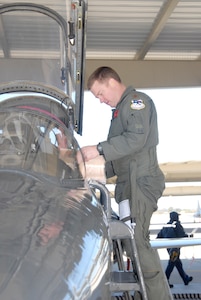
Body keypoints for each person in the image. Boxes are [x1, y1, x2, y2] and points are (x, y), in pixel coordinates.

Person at [78, 66, 172, 299]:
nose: (101, 100)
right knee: (132, 248)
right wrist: (85, 174)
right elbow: (118, 161)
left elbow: (136, 140)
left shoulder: (136, 102)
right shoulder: (119, 113)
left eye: (100, 93)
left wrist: (98, 149)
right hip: (128, 187)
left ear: (110, 81)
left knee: (139, 245)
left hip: (141, 183)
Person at [157, 211, 193, 288]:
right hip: (175, 249)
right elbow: (182, 235)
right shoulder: (177, 225)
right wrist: (189, 236)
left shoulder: (166, 225)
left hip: (169, 248)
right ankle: (165, 281)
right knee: (171, 264)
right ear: (176, 217)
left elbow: (159, 236)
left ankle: (185, 278)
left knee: (178, 264)